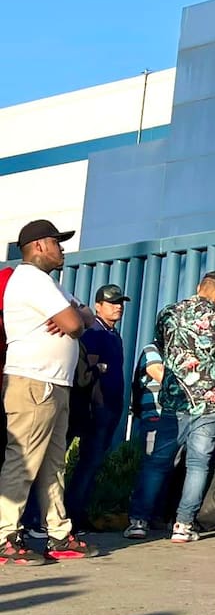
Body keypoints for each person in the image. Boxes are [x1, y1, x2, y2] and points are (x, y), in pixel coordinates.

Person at [0, 220, 96, 565]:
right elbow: (75, 324)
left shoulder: (49, 283)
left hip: (54, 383)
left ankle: (58, 534)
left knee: (53, 465)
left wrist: (75, 316)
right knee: (23, 460)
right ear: (39, 245)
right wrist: (73, 318)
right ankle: (4, 537)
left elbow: (86, 315)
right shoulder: (31, 279)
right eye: (57, 242)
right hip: (33, 382)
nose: (62, 248)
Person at [130, 270, 215, 545]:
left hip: (175, 400)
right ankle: (183, 525)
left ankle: (138, 521)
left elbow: (161, 346)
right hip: (209, 401)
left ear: (199, 286)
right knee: (198, 465)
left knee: (158, 461)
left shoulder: (168, 313)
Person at [64, 284, 129, 529]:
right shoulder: (94, 332)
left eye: (120, 302)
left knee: (92, 463)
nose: (118, 307)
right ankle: (70, 515)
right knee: (87, 462)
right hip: (94, 408)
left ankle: (77, 513)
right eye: (112, 303)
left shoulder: (113, 334)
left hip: (109, 407)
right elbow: (86, 371)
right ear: (98, 306)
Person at [124, 338, 167, 538]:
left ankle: (157, 516)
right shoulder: (153, 349)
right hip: (154, 416)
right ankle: (138, 519)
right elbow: (157, 372)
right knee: (152, 466)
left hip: (175, 417)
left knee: (169, 468)